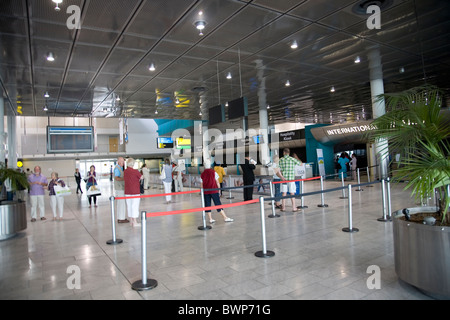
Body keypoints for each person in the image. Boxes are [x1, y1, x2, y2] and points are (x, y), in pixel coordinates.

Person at [278, 148, 302, 212]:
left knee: (284, 193)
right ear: (289, 153)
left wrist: (281, 176)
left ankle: (283, 208)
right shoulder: (292, 159)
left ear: (283, 153)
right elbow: (301, 164)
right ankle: (294, 208)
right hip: (291, 179)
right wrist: (296, 157)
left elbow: (277, 170)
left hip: (283, 179)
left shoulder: (280, 160)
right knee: (292, 193)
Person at [124, 158, 143, 227]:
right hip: (135, 191)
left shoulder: (125, 171)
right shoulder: (135, 171)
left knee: (129, 205)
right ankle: (135, 222)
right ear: (133, 163)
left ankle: (131, 220)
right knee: (134, 205)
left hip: (127, 191)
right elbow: (141, 177)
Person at [114, 157, 129, 223]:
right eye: (122, 161)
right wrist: (125, 179)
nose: (123, 163)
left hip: (121, 188)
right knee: (121, 204)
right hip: (120, 188)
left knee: (121, 203)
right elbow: (117, 178)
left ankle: (121, 217)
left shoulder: (120, 168)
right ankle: (121, 218)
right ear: (119, 162)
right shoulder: (117, 169)